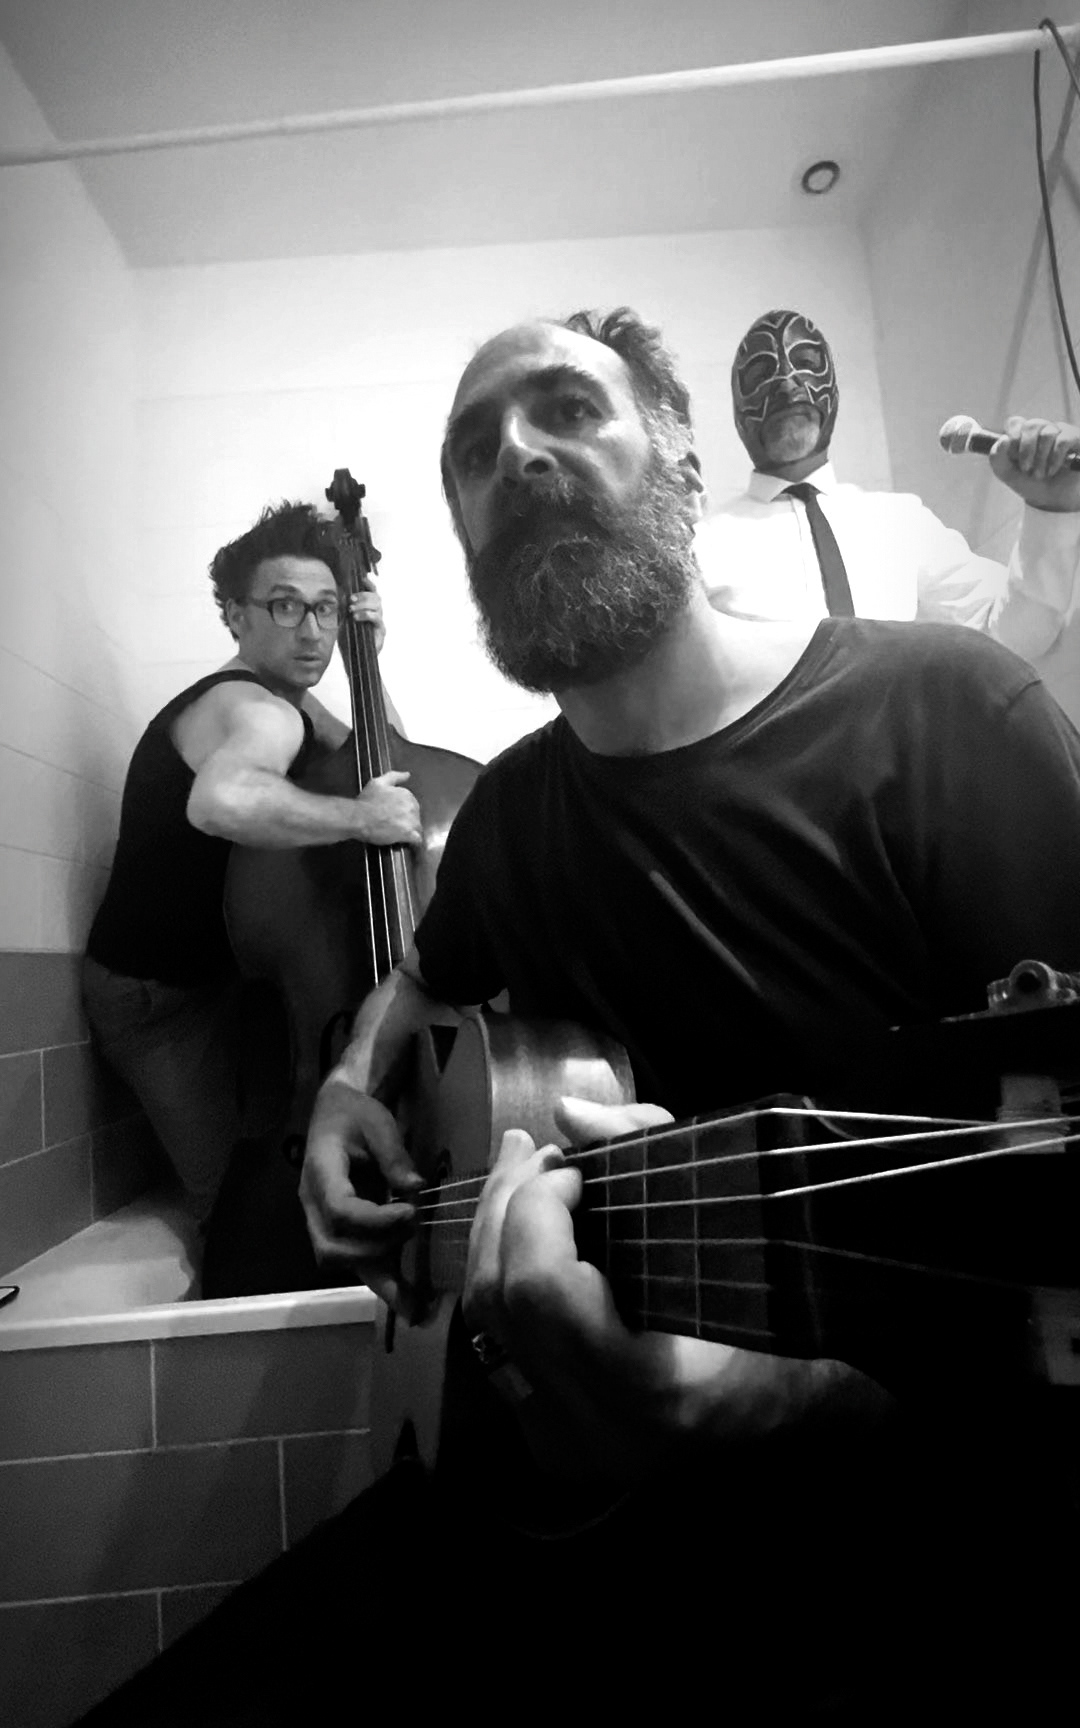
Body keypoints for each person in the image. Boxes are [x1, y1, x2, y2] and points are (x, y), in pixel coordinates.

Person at [78, 313, 1080, 1725]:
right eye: (472, 453)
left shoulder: (952, 715)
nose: (516, 454)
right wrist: (349, 1085)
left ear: (683, 458)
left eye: (566, 408)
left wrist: (795, 1403)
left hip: (907, 1540)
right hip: (546, 1488)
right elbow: (422, 978)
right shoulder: (507, 817)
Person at [82, 501, 421, 1232]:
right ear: (236, 616)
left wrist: (368, 661)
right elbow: (221, 799)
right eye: (285, 605)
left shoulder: (294, 703)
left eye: (326, 609)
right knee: (232, 1204)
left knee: (280, 1158)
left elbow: (388, 763)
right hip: (157, 1000)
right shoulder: (255, 709)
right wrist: (359, 819)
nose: (312, 631)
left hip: (231, 979)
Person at [696, 306, 1080, 661]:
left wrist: (1050, 512)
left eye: (807, 363)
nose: (786, 383)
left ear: (833, 387)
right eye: (760, 375)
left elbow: (1012, 634)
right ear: (737, 409)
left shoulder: (899, 521)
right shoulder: (701, 547)